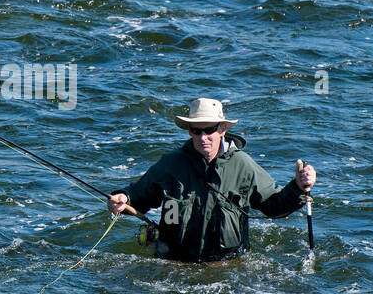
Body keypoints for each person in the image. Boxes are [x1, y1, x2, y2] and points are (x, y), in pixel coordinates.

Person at [107, 98, 316, 261]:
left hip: (226, 265)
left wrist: (298, 187)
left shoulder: (243, 166)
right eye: (196, 131)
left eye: (209, 130)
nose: (203, 137)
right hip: (174, 262)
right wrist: (122, 198)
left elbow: (274, 205)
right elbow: (138, 194)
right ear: (189, 131)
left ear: (222, 129)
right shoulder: (170, 164)